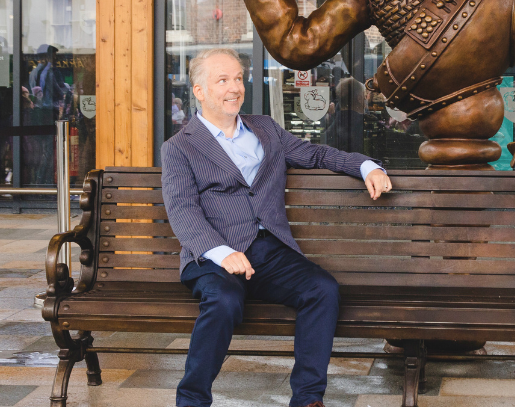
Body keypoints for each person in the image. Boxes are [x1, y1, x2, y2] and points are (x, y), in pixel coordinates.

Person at [161, 48, 392, 407]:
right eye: (223, 80)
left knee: (323, 290)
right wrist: (223, 254)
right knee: (224, 300)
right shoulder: (179, 148)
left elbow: (316, 155)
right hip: (212, 256)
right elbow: (182, 210)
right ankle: (191, 400)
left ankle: (308, 399)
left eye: (238, 78)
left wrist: (366, 167)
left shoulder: (265, 128)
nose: (235, 87)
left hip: (269, 250)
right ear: (200, 91)